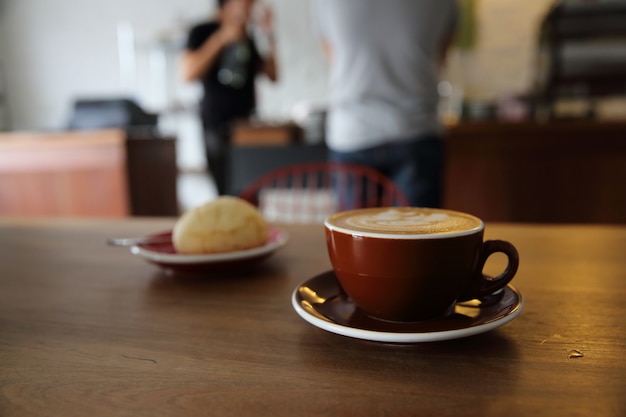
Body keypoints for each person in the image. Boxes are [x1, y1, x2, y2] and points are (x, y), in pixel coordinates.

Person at [312, 0, 458, 208]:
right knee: (417, 238)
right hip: (415, 128)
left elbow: (332, 54)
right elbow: (441, 55)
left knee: (355, 237)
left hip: (352, 130)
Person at [182, 0, 278, 195]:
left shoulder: (247, 37)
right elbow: (188, 73)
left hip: (246, 127)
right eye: (247, 2)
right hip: (217, 125)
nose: (252, 6)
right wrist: (222, 38)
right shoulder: (202, 31)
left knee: (250, 190)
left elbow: (273, 75)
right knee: (225, 191)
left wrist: (268, 34)